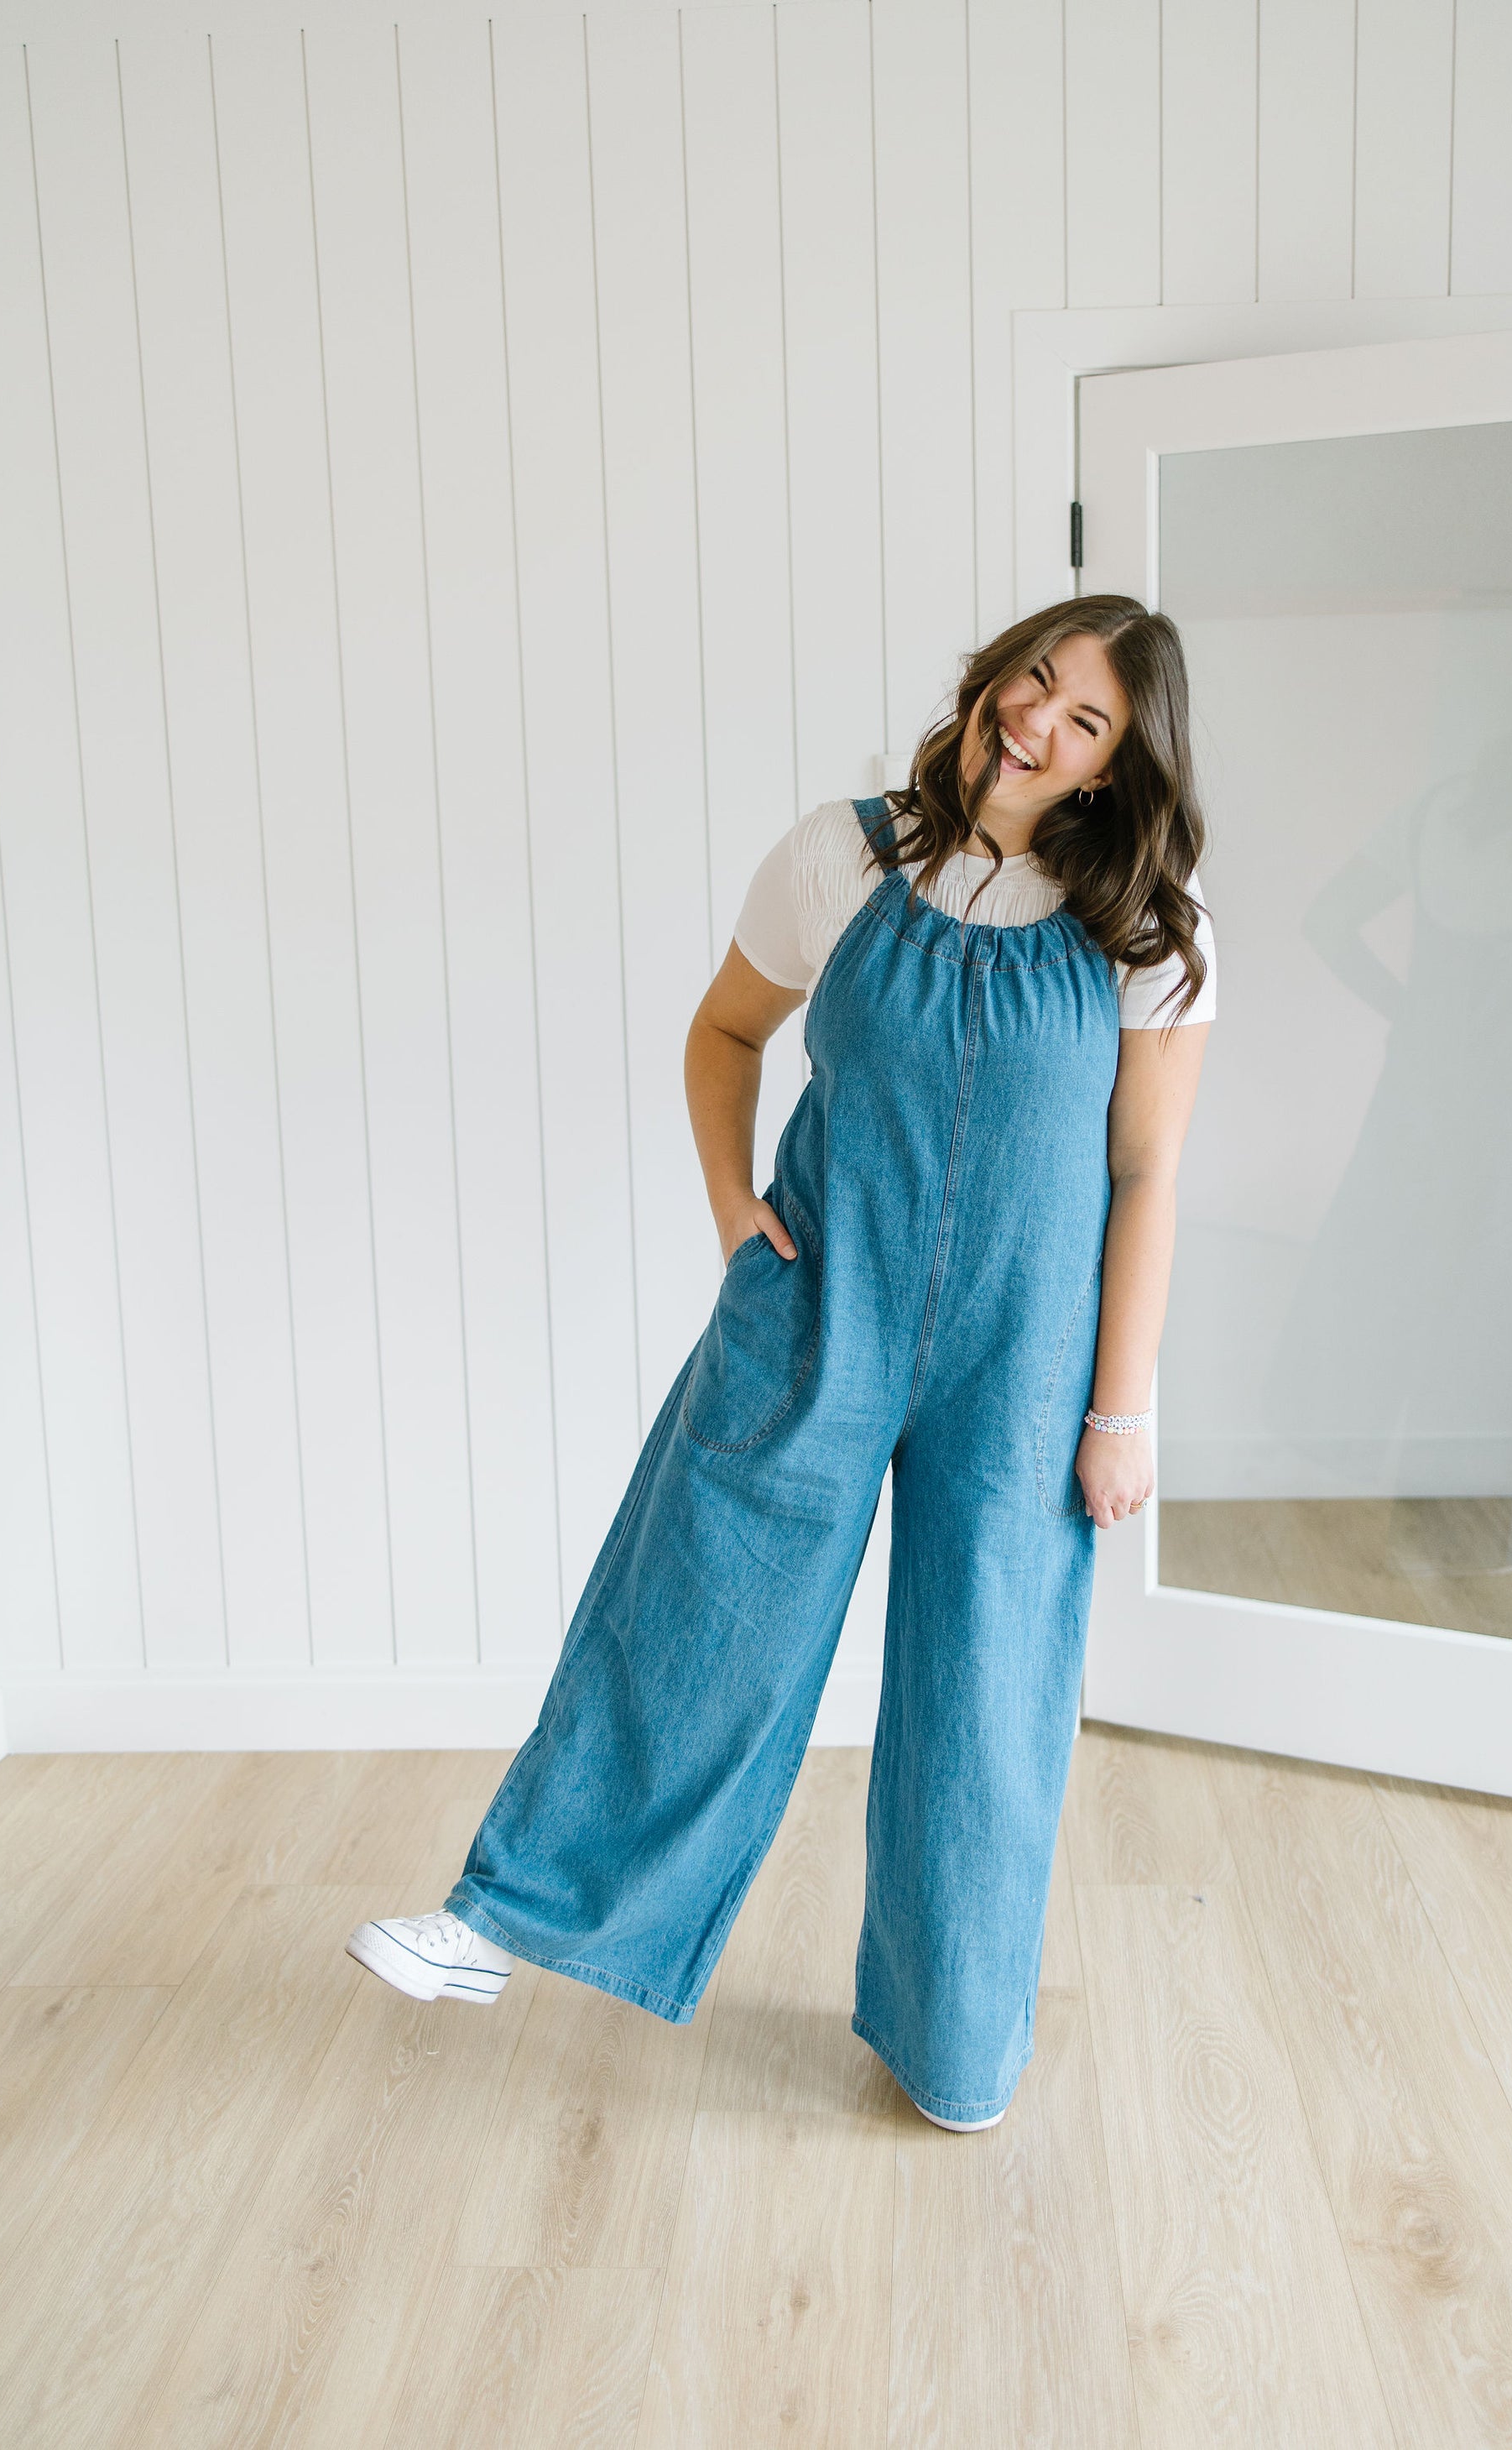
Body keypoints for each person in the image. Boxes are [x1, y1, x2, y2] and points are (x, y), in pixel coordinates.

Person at [347, 593, 1216, 2132]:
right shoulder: (845, 855)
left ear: (1110, 765)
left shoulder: (1149, 921)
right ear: (994, 674)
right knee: (693, 1606)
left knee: (990, 1683)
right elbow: (727, 1032)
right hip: (820, 1303)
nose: (1039, 724)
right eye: (1036, 682)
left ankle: (955, 2047)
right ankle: (506, 1920)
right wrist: (733, 1208)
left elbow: (1143, 1173)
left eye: (1086, 722)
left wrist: (1121, 1409)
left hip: (1024, 1359)